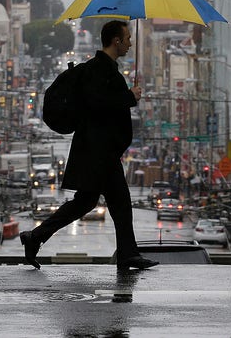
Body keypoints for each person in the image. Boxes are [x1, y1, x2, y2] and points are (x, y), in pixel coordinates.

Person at [20, 20, 159, 271]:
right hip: (98, 150)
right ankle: (128, 254)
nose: (130, 43)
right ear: (115, 40)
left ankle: (35, 237)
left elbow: (102, 104)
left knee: (86, 202)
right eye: (127, 38)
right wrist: (130, 97)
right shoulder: (99, 70)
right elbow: (97, 104)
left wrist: (127, 97)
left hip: (99, 150)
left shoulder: (106, 69)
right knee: (119, 201)